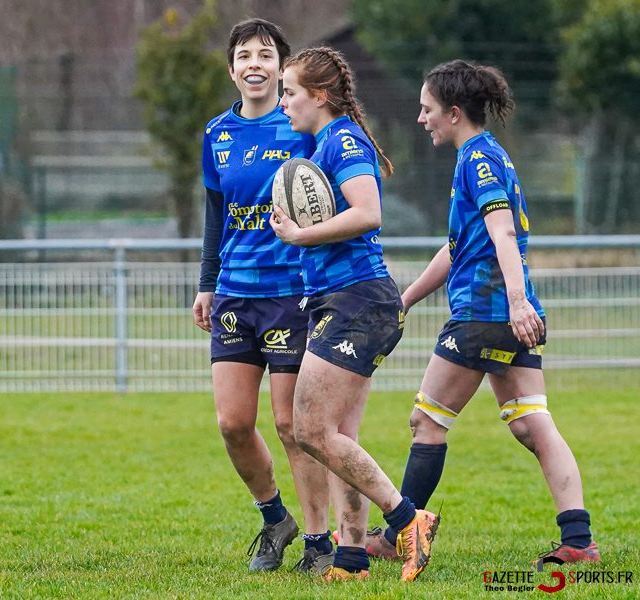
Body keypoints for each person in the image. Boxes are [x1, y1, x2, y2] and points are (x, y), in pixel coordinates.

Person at [363, 59, 599, 566]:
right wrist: (405, 299)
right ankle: (578, 542)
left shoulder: (479, 161)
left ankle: (398, 534)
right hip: (507, 313)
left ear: (453, 113)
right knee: (531, 424)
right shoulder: (485, 156)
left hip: (484, 314)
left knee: (426, 422)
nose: (421, 118)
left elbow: (502, 232)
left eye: (427, 110)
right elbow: (458, 249)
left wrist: (514, 302)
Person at [269, 46, 440, 582]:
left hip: (358, 301)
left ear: (319, 96)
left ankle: (410, 519)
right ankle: (350, 556)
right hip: (344, 300)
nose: (284, 103)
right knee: (339, 433)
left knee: (311, 429)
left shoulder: (341, 140)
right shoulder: (322, 142)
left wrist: (300, 234)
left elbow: (368, 213)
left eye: (290, 92)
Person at [192, 19, 335, 573]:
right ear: (231, 69)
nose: (255, 63)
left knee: (291, 425)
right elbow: (215, 215)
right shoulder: (216, 135)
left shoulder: (302, 125)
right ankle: (276, 518)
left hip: (290, 294)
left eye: (266, 54)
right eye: (244, 55)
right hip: (233, 295)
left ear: (282, 66)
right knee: (232, 423)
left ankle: (320, 544)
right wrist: (207, 283)